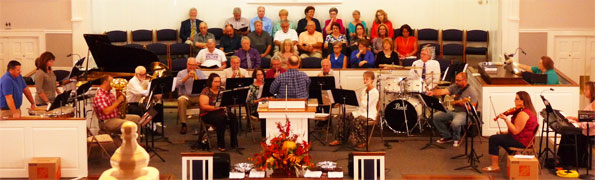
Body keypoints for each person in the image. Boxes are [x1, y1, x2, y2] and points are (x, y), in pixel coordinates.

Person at [482, 91, 538, 172]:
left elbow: (515, 131)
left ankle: (495, 166)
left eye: (516, 99)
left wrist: (506, 119)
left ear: (523, 101)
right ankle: (515, 153)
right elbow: (522, 129)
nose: (514, 101)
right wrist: (504, 133)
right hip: (524, 139)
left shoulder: (523, 114)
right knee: (500, 137)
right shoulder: (528, 111)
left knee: (493, 139)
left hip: (522, 142)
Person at [427, 72, 479, 147]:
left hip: (464, 113)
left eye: (458, 80)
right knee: (435, 117)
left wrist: (464, 105)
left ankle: (456, 139)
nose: (456, 82)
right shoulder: (455, 86)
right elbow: (443, 91)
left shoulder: (472, 91)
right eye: (456, 80)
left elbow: (473, 108)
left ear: (465, 80)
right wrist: (432, 92)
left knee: (455, 123)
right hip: (453, 110)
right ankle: (446, 136)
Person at [329, 71, 378, 148]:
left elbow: (366, 105)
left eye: (367, 79)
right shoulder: (364, 90)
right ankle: (340, 139)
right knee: (343, 116)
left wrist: (360, 100)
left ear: (372, 80)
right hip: (360, 112)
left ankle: (362, 140)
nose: (365, 81)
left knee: (357, 120)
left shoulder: (375, 92)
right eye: (364, 79)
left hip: (369, 113)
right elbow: (360, 106)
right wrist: (356, 100)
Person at [557, 81, 595, 167]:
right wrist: (575, 119)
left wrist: (579, 124)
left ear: (593, 91)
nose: (584, 91)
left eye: (586, 89)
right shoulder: (592, 103)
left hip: (590, 131)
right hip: (586, 128)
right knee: (567, 133)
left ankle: (568, 161)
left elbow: (593, 121)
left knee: (568, 135)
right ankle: (563, 159)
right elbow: (587, 118)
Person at [199, 73, 238, 151]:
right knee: (221, 119)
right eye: (216, 82)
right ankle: (221, 144)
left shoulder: (222, 90)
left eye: (219, 82)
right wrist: (216, 108)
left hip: (221, 112)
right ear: (211, 82)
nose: (218, 84)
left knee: (233, 118)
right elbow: (204, 106)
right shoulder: (206, 91)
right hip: (208, 113)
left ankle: (234, 143)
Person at [176, 58, 207, 134]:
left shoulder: (200, 73)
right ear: (187, 64)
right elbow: (177, 85)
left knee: (207, 100)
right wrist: (187, 77)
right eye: (190, 65)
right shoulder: (181, 73)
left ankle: (205, 123)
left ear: (196, 65)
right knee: (181, 100)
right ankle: (183, 124)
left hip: (198, 96)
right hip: (186, 96)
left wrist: (197, 79)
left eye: (194, 65)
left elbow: (205, 84)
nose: (192, 67)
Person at [246, 68, 269, 137]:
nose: (260, 76)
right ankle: (264, 136)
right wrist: (259, 100)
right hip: (255, 108)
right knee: (265, 115)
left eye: (261, 74)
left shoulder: (267, 85)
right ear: (255, 76)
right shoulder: (251, 87)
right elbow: (249, 101)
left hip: (267, 105)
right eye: (258, 75)